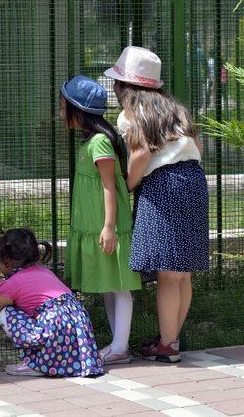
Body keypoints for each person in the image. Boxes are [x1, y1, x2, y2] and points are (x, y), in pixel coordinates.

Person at [105, 46, 209, 363]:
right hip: (193, 179)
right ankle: (170, 341)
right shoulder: (177, 109)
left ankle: (168, 345)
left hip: (163, 184)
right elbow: (198, 145)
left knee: (167, 272)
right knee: (182, 272)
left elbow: (140, 155)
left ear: (126, 86)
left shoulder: (132, 114)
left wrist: (128, 184)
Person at [61, 75, 141, 365]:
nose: (60, 113)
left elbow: (110, 185)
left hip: (107, 227)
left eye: (63, 106)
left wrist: (109, 227)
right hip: (95, 227)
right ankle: (117, 344)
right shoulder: (91, 142)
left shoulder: (99, 143)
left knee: (119, 285)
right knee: (110, 284)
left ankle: (120, 347)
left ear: (77, 110)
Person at [0, 228, 103, 377]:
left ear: (7, 260)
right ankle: (62, 363)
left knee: (6, 312)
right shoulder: (44, 271)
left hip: (55, 325)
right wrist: (3, 284)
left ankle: (36, 364)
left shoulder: (9, 286)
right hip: (78, 323)